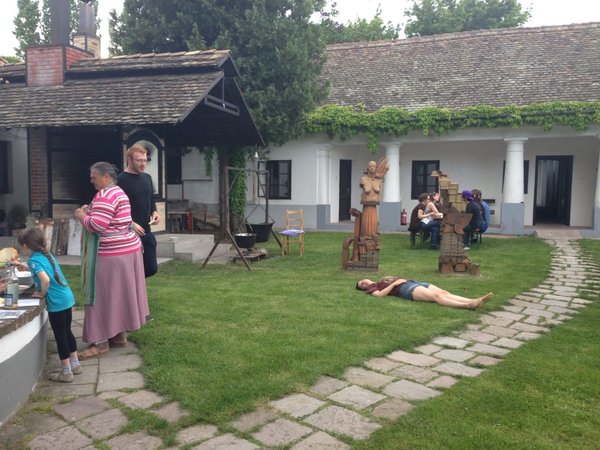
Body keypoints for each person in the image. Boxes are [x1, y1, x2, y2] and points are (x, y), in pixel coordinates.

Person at [73, 162, 150, 359]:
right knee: (119, 295)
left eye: (94, 177)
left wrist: (81, 215)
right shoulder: (118, 192)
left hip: (112, 255)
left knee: (101, 296)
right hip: (127, 251)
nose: (91, 181)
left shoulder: (105, 195)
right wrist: (90, 210)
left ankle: (99, 343)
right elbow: (114, 218)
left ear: (106, 176)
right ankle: (118, 336)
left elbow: (97, 225)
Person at [16, 227, 81, 382]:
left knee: (60, 336)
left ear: (25, 246)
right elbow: (46, 271)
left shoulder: (33, 260)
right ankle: (75, 364)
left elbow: (45, 280)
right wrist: (26, 267)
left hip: (57, 302)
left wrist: (40, 294)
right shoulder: (46, 255)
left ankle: (66, 373)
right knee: (67, 331)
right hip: (66, 297)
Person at [117, 145, 160, 278]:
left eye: (145, 160)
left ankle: (134, 288)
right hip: (129, 233)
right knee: (130, 269)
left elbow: (150, 198)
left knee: (151, 268)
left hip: (146, 231)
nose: (143, 164)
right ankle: (132, 292)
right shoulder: (121, 180)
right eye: (139, 160)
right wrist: (130, 223)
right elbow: (116, 208)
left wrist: (155, 212)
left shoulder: (147, 178)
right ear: (129, 160)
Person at [356, 276, 493, 309]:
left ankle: (473, 300)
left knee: (444, 292)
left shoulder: (382, 279)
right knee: (436, 297)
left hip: (414, 283)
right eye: (361, 285)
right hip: (406, 290)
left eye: (362, 281)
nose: (364, 283)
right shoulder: (373, 288)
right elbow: (379, 296)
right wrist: (394, 284)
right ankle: (468, 306)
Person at [359, 159, 388, 237]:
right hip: (366, 206)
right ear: (367, 168)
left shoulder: (378, 181)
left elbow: (382, 175)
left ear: (376, 168)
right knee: (366, 225)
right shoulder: (363, 179)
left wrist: (385, 170)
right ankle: (365, 236)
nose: (372, 168)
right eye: (370, 166)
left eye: (374, 166)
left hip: (374, 207)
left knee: (373, 224)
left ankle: (373, 236)